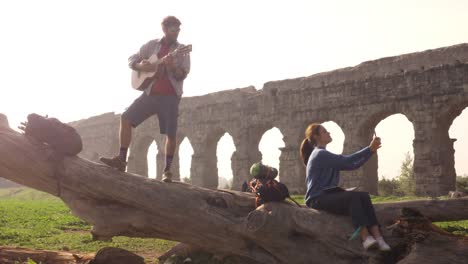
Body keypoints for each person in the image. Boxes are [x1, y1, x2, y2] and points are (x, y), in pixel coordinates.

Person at [100, 16, 190, 183]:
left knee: (170, 134)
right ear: (165, 29)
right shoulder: (151, 46)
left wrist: (171, 66)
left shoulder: (182, 50)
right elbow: (131, 59)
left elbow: (182, 75)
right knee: (125, 118)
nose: (177, 32)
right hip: (150, 94)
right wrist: (141, 66)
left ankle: (167, 171)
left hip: (170, 97)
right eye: (173, 30)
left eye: (178, 29)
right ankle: (121, 160)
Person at [299, 123, 391, 251]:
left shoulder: (324, 154)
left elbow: (352, 166)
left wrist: (372, 151)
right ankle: (365, 238)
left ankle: (379, 238)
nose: (329, 133)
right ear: (316, 136)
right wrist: (369, 149)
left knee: (363, 196)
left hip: (328, 195)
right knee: (353, 198)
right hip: (316, 199)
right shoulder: (319, 154)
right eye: (325, 132)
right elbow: (347, 160)